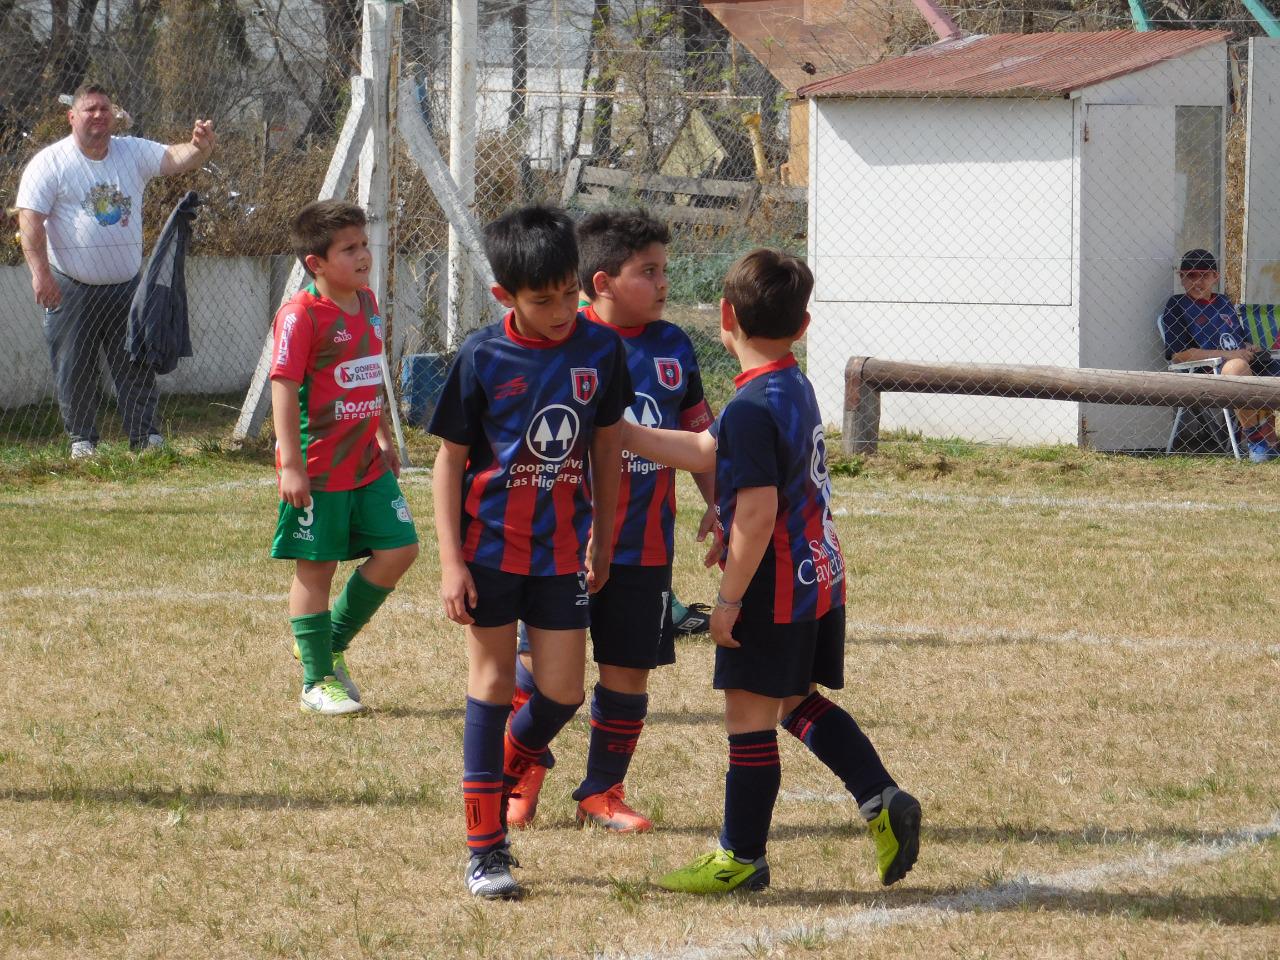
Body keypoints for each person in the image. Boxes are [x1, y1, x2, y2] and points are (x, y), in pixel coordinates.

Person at [622, 248, 922, 894]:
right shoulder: (788, 386)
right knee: (793, 701)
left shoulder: (753, 406)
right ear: (804, 326)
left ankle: (741, 856)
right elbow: (708, 448)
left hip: (772, 585)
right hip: (816, 573)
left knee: (750, 719)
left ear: (724, 316)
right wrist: (625, 432)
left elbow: (756, 514)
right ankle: (880, 798)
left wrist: (728, 600)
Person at [428, 205, 631, 900]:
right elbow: (449, 463)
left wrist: (605, 534)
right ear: (504, 297)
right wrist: (452, 562)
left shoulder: (601, 350)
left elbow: (606, 444)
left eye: (569, 294)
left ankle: (509, 762)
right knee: (489, 684)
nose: (559, 310)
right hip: (490, 553)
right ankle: (485, 850)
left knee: (564, 692)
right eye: (541, 300)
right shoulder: (482, 357)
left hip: (563, 553)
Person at [504, 209, 717, 833]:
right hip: (561, 547)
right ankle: (517, 779)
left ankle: (602, 792)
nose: (662, 283)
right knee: (538, 673)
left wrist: (717, 502)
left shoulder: (674, 345)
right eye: (647, 271)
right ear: (601, 282)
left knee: (628, 670)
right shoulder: (563, 341)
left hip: (644, 547)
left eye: (663, 270)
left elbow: (697, 433)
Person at [269, 200, 419, 716]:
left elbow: (369, 368)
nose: (363, 256)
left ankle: (327, 643)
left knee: (401, 549)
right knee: (318, 568)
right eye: (349, 248)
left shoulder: (368, 302)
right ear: (316, 263)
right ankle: (315, 681)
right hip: (320, 466)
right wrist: (291, 464)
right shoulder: (301, 316)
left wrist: (381, 433)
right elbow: (284, 388)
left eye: (363, 244)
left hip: (365, 462)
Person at [15, 82, 216, 457]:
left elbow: (174, 158)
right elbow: (30, 221)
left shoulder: (131, 152)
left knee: (135, 363)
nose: (98, 116)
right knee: (74, 367)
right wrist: (40, 274)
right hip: (69, 287)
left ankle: (146, 437)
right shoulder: (50, 162)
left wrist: (198, 147)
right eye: (89, 110)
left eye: (104, 109)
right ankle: (83, 441)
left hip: (127, 287)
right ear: (71, 116)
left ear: (113, 115)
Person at [1160, 248, 1280, 462]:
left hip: (1240, 360)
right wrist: (1229, 354)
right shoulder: (1177, 305)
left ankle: (1271, 439)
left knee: (1264, 365)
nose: (1197, 282)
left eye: (1204, 275)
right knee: (1237, 368)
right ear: (1181, 278)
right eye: (1191, 275)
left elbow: (1234, 338)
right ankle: (1256, 440)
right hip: (1208, 369)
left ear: (1215, 276)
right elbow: (1178, 355)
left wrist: (1249, 347)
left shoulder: (1223, 302)